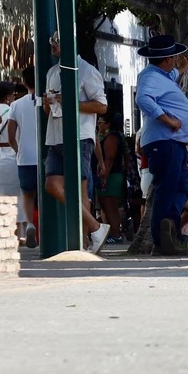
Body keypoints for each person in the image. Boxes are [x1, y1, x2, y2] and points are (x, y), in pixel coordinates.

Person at [43, 33, 110, 252]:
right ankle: (95, 227)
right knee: (52, 185)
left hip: (80, 135)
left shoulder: (87, 70)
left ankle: (83, 242)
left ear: (69, 44)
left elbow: (101, 106)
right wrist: (47, 103)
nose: (52, 45)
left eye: (56, 41)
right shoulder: (52, 72)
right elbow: (48, 111)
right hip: (54, 135)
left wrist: (72, 101)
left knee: (81, 190)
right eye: (51, 41)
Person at [135, 34, 188, 256]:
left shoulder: (162, 76)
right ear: (166, 59)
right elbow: (143, 98)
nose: (175, 60)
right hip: (165, 141)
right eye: (173, 57)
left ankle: (169, 229)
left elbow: (170, 76)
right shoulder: (150, 77)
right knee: (168, 187)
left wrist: (182, 68)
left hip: (172, 143)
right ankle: (163, 238)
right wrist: (168, 119)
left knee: (179, 185)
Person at [5, 67, 41, 247]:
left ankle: (29, 224)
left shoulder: (16, 105)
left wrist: (18, 150)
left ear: (25, 83)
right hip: (45, 156)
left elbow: (11, 136)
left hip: (25, 157)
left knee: (28, 194)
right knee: (46, 194)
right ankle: (45, 228)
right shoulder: (49, 102)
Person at [94, 108, 130, 245]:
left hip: (111, 176)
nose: (99, 125)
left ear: (108, 124)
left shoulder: (111, 138)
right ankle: (114, 233)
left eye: (101, 122)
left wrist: (104, 176)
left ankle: (116, 234)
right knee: (107, 206)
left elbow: (109, 158)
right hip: (113, 175)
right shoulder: (116, 137)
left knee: (110, 206)